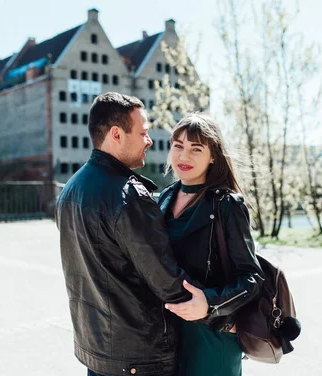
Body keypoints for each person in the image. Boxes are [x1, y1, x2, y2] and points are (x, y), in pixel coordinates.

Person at [55, 93, 209, 376]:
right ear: (116, 134)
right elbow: (168, 283)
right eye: (143, 132)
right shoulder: (129, 196)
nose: (149, 141)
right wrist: (218, 306)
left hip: (96, 353)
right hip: (140, 358)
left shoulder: (69, 190)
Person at [159, 113, 265, 376]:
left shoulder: (228, 205)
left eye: (196, 149)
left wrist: (209, 303)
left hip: (212, 336)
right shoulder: (162, 199)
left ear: (213, 156)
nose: (184, 157)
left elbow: (252, 278)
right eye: (178, 146)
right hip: (167, 334)